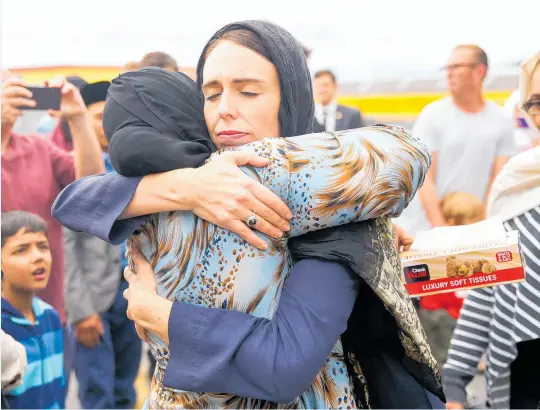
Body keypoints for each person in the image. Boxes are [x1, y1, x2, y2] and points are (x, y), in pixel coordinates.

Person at [53, 21, 444, 408]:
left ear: (290, 93)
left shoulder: (284, 185)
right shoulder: (213, 185)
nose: (224, 110)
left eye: (248, 91)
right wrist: (188, 186)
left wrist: (158, 313)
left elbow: (75, 200)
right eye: (210, 94)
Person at [443, 52, 540, 410]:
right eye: (537, 102)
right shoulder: (517, 182)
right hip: (520, 383)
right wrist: (455, 381)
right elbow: (489, 284)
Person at [1, 73, 104, 385]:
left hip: (47, 313)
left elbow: (91, 186)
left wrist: (78, 117)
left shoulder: (39, 148)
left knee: (48, 397)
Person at [64, 81, 141, 409]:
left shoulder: (136, 166)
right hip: (94, 300)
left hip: (133, 297)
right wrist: (81, 312)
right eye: (98, 116)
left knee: (126, 387)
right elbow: (66, 244)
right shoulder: (74, 167)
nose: (107, 123)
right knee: (98, 392)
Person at [399, 44, 516, 236]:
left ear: (479, 71)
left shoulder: (501, 120)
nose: (449, 74)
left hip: (475, 228)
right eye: (447, 68)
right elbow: (423, 178)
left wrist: (484, 225)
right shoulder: (432, 116)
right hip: (429, 229)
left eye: (456, 67)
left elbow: (498, 180)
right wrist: (442, 230)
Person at [1, 211, 65, 409]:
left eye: (43, 246)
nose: (38, 257)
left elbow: (59, 389)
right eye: (21, 250)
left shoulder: (51, 317)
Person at [418, 191, 485, 366]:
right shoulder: (439, 247)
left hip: (451, 313)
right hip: (440, 313)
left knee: (450, 362)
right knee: (442, 361)